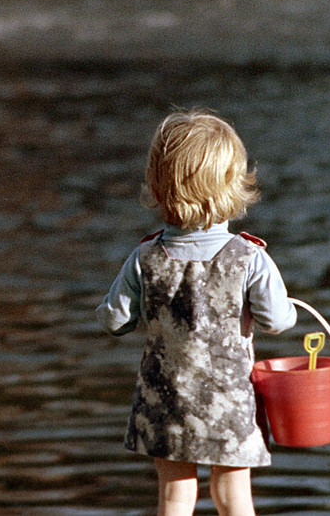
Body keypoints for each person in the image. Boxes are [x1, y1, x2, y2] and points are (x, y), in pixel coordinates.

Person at [96, 109, 296, 516]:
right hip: (229, 400)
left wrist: (115, 307)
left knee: (174, 497)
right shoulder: (249, 258)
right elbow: (277, 321)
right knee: (234, 495)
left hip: (164, 400)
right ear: (232, 185)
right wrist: (287, 308)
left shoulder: (145, 256)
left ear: (157, 184)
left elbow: (115, 321)